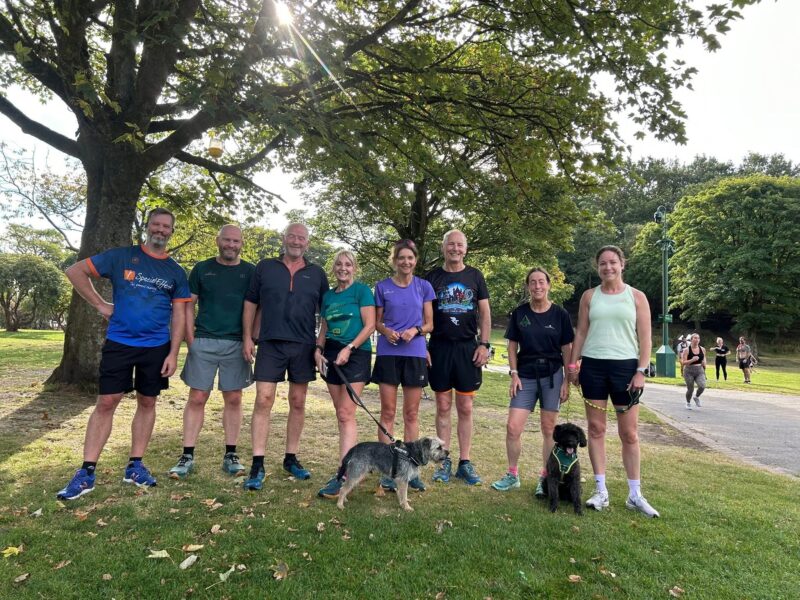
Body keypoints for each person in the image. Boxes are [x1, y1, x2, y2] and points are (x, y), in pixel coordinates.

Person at [57, 208, 191, 500]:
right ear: (148, 226)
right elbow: (75, 271)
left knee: (148, 401)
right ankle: (87, 472)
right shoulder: (121, 257)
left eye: (166, 226)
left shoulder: (176, 271)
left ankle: (135, 466)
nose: (160, 230)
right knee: (107, 401)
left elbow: (181, 314)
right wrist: (100, 304)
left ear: (171, 231)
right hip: (120, 342)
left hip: (156, 347)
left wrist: (173, 353)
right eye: (156, 224)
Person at [567, 245, 660, 518]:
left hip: (625, 368)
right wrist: (573, 365)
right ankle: (601, 491)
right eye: (603, 263)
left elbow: (646, 338)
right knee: (596, 429)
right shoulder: (589, 296)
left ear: (622, 264)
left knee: (629, 433)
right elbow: (581, 332)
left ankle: (635, 494)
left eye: (612, 262)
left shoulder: (637, 297)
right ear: (597, 267)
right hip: (593, 367)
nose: (608, 267)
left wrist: (641, 371)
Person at [241, 223, 329, 490]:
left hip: (303, 346)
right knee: (263, 399)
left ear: (307, 243)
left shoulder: (317, 273)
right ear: (284, 238)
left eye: (301, 238)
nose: (296, 241)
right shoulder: (265, 267)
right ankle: (257, 463)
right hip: (270, 343)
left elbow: (327, 312)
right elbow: (251, 303)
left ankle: (291, 458)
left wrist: (319, 345)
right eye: (291, 236)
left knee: (298, 402)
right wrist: (247, 337)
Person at [168, 225, 255, 480]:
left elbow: (256, 306)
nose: (231, 245)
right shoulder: (202, 268)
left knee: (234, 398)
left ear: (241, 243)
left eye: (236, 241)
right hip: (204, 340)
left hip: (236, 343)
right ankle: (187, 455)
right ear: (218, 241)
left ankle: (231, 455)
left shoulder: (250, 271)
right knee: (197, 397)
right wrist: (190, 338)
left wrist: (250, 338)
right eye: (227, 240)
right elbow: (188, 304)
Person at [491, 268, 573, 497]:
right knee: (513, 427)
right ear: (528, 286)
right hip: (525, 376)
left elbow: (567, 348)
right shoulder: (520, 313)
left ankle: (545, 478)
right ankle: (512, 475)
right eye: (533, 282)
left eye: (541, 282)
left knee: (549, 429)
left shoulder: (560, 314)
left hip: (552, 376)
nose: (537, 286)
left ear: (548, 285)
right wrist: (514, 373)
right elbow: (511, 346)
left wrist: (567, 380)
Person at [424, 230, 491, 486]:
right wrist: (422, 346)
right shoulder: (432, 278)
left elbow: (485, 314)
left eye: (459, 245)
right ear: (443, 248)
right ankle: (444, 461)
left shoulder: (475, 276)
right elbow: (423, 315)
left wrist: (484, 344)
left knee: (465, 407)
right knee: (442, 406)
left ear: (466, 248)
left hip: (467, 348)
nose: (455, 248)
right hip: (439, 347)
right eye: (450, 244)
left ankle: (465, 462)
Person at [372, 239, 435, 492]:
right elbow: (376, 322)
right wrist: (386, 331)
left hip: (415, 354)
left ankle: (410, 469)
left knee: (411, 414)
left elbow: (430, 324)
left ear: (415, 260)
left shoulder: (424, 286)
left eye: (410, 258)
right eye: (401, 258)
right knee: (388, 412)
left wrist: (415, 330)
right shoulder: (382, 287)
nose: (406, 262)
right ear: (395, 261)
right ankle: (387, 469)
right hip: (388, 354)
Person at [314, 250, 376, 499]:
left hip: (356, 354)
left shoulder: (362, 291)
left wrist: (349, 348)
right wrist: (318, 350)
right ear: (334, 268)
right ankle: (348, 466)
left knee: (346, 413)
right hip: (331, 354)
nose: (343, 268)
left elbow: (370, 325)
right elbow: (324, 328)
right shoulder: (328, 296)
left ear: (354, 268)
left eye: (348, 264)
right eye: (339, 264)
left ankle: (346, 474)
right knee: (341, 414)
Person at [681, 333, 707, 408]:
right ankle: (688, 402)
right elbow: (683, 362)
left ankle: (696, 397)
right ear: (691, 340)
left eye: (698, 338)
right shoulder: (686, 350)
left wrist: (704, 363)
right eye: (695, 338)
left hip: (699, 370)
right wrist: (692, 360)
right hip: (688, 371)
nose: (697, 339)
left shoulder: (702, 349)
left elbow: (704, 358)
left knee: (702, 386)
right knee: (690, 389)